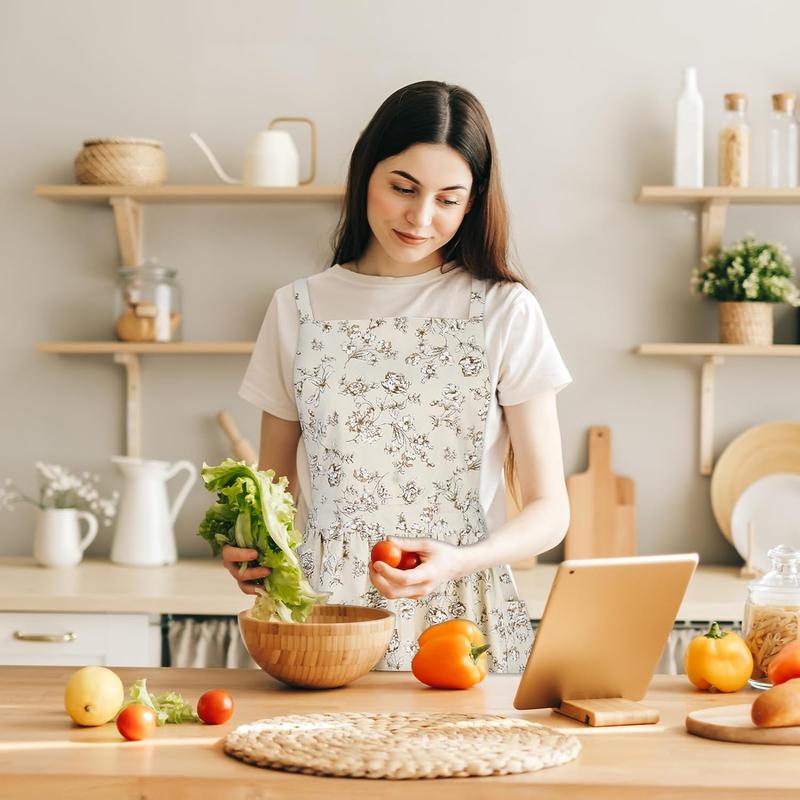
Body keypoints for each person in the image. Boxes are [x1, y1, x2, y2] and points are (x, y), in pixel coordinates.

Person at [225, 79, 572, 672]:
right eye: (402, 188)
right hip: (320, 621)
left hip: (460, 619)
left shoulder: (504, 311)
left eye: (448, 198)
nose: (420, 217)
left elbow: (549, 511)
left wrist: (462, 559)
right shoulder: (296, 309)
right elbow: (272, 492)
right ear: (365, 173)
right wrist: (248, 547)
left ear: (473, 201)